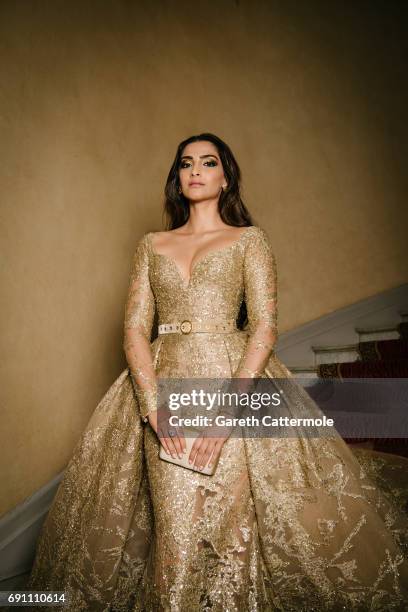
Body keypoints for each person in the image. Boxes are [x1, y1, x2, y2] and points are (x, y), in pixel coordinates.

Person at [27, 133, 408, 611]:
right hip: (164, 387)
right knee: (176, 530)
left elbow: (265, 328)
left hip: (232, 382)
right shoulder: (152, 244)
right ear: (177, 177)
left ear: (225, 177)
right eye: (186, 163)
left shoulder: (248, 240)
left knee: (231, 528)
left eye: (208, 163)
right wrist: (152, 406)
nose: (195, 171)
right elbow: (132, 330)